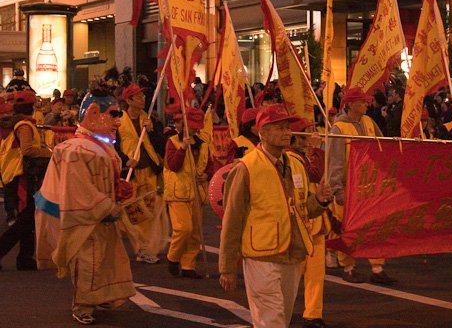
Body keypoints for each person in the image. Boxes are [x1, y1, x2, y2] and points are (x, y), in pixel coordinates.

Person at [219, 104, 332, 328]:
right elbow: (232, 219)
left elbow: (302, 210)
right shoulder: (246, 168)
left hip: (292, 255)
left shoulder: (296, 165)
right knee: (271, 321)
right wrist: (227, 266)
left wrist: (319, 200)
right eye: (280, 128)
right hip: (261, 257)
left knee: (283, 317)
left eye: (287, 127)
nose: (287, 132)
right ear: (262, 132)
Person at [34, 87, 136, 325]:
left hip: (98, 215)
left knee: (105, 258)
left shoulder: (99, 146)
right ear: (92, 112)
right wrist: (106, 204)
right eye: (113, 114)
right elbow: (79, 190)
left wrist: (117, 187)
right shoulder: (76, 150)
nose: (118, 122)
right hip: (82, 218)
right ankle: (83, 304)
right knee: (87, 260)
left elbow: (98, 181)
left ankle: (100, 296)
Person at [327, 87, 395, 285]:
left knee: (376, 227)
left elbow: (383, 148)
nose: (367, 104)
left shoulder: (369, 121)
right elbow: (335, 161)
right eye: (362, 102)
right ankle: (348, 268)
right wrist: (337, 189)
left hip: (371, 186)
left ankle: (377, 268)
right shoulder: (338, 129)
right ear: (350, 105)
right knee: (347, 230)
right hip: (349, 187)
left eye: (367, 102)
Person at [0, 90, 52, 271]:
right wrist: (52, 153)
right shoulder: (25, 126)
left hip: (16, 175)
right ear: (31, 106)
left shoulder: (19, 124)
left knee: (28, 219)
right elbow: (27, 150)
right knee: (26, 219)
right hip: (21, 176)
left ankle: (25, 258)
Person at [118, 83, 167, 264]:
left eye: (143, 96)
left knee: (150, 212)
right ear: (129, 100)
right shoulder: (119, 122)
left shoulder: (149, 119)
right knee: (132, 213)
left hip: (149, 172)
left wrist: (153, 131)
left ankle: (145, 248)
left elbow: (160, 145)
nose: (143, 99)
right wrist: (124, 160)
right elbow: (114, 146)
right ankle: (138, 246)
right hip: (131, 173)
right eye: (138, 97)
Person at [288, 118, 330, 328]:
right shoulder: (290, 157)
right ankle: (281, 311)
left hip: (315, 219)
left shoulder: (304, 155)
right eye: (307, 132)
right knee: (292, 273)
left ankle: (313, 313)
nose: (312, 134)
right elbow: (314, 173)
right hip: (296, 222)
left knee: (316, 272)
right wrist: (315, 149)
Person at [163, 108, 211, 279]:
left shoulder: (203, 144)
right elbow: (173, 165)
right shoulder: (172, 142)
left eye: (197, 127)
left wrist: (206, 175)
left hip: (197, 193)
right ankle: (173, 258)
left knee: (195, 232)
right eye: (192, 126)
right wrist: (183, 148)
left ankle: (188, 265)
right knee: (183, 228)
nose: (195, 130)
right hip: (178, 192)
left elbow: (210, 166)